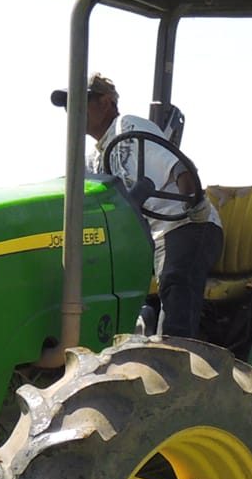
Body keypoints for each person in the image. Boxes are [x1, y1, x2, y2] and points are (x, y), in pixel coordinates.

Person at [66, 73, 224, 338]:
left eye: (81, 101)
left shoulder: (128, 128)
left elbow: (179, 167)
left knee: (175, 280)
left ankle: (172, 359)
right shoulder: (94, 159)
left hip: (187, 224)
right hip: (148, 238)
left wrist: (194, 200)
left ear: (104, 102)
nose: (72, 111)